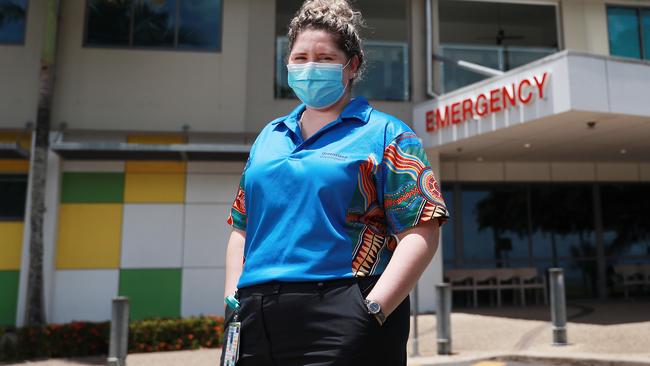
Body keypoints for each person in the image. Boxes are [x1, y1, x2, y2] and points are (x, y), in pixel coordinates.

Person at [223, 1, 448, 365]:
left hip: (345, 307)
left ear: (352, 65)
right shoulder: (269, 136)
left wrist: (372, 309)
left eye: (325, 58)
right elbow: (241, 225)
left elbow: (422, 230)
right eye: (299, 58)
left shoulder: (389, 134)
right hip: (256, 313)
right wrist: (233, 295)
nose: (310, 67)